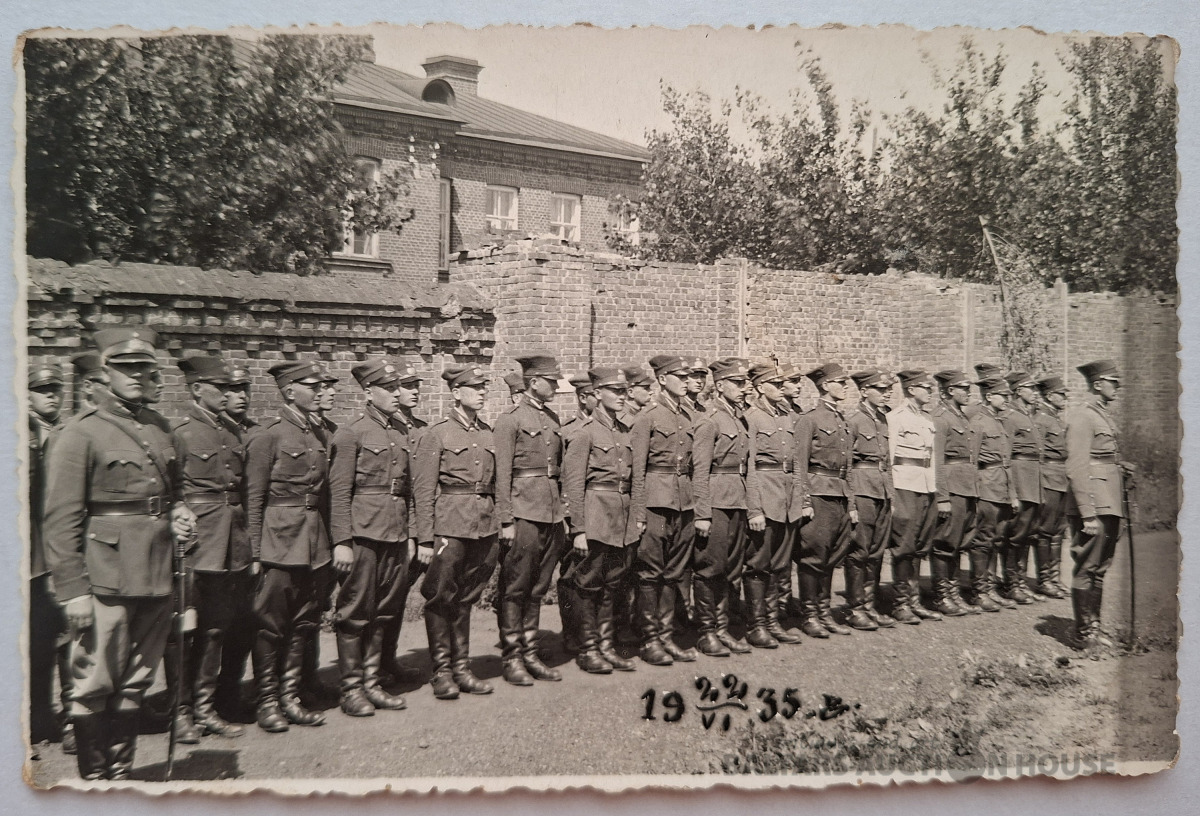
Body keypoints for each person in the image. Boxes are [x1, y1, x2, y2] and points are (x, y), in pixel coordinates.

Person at [43, 328, 195, 780]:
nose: (136, 376)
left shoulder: (161, 427)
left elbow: (175, 491)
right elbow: (61, 519)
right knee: (95, 679)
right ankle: (96, 784)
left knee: (136, 678)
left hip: (156, 571)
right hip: (105, 575)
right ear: (106, 372)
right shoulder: (81, 432)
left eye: (144, 368)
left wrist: (181, 513)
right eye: (125, 368)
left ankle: (121, 776)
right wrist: (73, 591)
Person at [244, 361, 336, 733]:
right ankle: (266, 701)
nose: (320, 392)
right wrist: (254, 553)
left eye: (321, 386)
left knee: (304, 622)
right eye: (312, 387)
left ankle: (290, 697)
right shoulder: (268, 436)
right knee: (270, 625)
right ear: (289, 391)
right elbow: (254, 500)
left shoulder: (321, 434)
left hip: (314, 541)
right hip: (278, 541)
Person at [169, 355, 252, 742]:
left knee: (216, 629)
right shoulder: (180, 433)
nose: (227, 393)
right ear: (197, 389)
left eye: (230, 387)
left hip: (230, 542)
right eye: (220, 387)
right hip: (196, 543)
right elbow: (171, 491)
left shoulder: (233, 432)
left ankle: (205, 707)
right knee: (185, 631)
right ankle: (180, 711)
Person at [327, 360, 415, 717]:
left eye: (398, 388)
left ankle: (372, 682)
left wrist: (410, 534)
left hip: (395, 531)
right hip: (362, 534)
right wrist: (341, 541)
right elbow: (339, 492)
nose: (397, 394)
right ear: (368, 392)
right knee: (354, 612)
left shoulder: (400, 431)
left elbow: (407, 489)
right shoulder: (351, 433)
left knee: (385, 611)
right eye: (389, 389)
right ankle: (351, 690)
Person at [412, 364, 500, 699]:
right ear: (456, 393)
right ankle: (442, 672)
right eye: (475, 388)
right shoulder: (437, 433)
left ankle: (462, 668)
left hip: (484, 525)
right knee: (441, 597)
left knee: (466, 597)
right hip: (450, 524)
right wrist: (424, 538)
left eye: (483, 387)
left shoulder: (488, 433)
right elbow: (423, 491)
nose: (482, 393)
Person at [493, 355, 567, 686]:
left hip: (550, 513)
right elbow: (502, 474)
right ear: (533, 382)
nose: (556, 387)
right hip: (523, 512)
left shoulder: (551, 418)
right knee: (516, 587)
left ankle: (531, 653)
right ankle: (512, 658)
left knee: (538, 587)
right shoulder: (509, 420)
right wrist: (506, 520)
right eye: (551, 381)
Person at [561, 367, 639, 674]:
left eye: (624, 391)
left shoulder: (624, 432)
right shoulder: (584, 433)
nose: (622, 396)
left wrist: (635, 518)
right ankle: (588, 649)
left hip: (620, 516)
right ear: (597, 394)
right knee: (588, 584)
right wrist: (578, 529)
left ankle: (606, 646)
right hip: (595, 514)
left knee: (613, 583)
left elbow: (632, 480)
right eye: (615, 391)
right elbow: (573, 484)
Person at [630, 355, 700, 666]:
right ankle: (650, 640)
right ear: (661, 379)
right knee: (650, 573)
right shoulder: (648, 416)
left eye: (688, 377)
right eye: (680, 377)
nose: (686, 382)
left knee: (675, 573)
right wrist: (639, 513)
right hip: (655, 502)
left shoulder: (688, 416)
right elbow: (637, 469)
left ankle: (667, 636)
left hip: (683, 501)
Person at [691, 358, 757, 656]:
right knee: (710, 568)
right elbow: (700, 470)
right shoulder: (710, 420)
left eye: (745, 383)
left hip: (737, 500)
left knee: (732, 568)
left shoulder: (740, 419)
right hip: (716, 502)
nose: (745, 388)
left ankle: (722, 628)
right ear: (720, 386)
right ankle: (707, 633)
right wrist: (702, 513)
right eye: (738, 383)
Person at [1065, 360, 1129, 652]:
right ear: (1097, 384)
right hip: (1094, 503)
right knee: (1087, 566)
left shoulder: (1102, 415)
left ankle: (1095, 627)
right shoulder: (1083, 417)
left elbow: (1103, 459)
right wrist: (1087, 513)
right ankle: (1082, 634)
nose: (1117, 386)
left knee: (1101, 567)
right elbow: (1077, 467)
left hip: (1110, 500)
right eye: (1113, 382)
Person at [792, 363, 857, 638]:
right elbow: (799, 463)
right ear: (825, 385)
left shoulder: (842, 420)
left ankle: (824, 613)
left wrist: (851, 503)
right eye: (841, 382)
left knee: (831, 556)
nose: (845, 387)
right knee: (813, 556)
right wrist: (805, 500)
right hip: (818, 493)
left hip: (839, 493)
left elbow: (848, 467)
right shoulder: (810, 419)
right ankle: (809, 616)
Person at [742, 363, 804, 646]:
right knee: (758, 565)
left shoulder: (787, 415)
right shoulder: (751, 418)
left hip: (787, 500)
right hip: (765, 498)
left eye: (782, 385)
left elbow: (796, 463)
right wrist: (754, 508)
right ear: (759, 387)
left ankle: (773, 621)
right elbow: (749, 467)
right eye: (776, 385)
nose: (781, 389)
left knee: (780, 565)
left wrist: (800, 499)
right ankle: (756, 626)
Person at [376, 366, 428, 685]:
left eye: (416, 385)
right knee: (383, 596)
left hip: (419, 525)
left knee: (398, 595)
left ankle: (388, 659)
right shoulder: (387, 428)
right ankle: (374, 665)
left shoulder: (421, 429)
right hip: (394, 523)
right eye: (407, 386)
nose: (413, 391)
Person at [28, 364, 68, 749]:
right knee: (36, 641)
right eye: (42, 391)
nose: (51, 396)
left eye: (55, 389)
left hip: (62, 548)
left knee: (65, 637)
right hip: (33, 554)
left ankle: (66, 716)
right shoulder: (23, 434)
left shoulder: (66, 431)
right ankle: (36, 718)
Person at [214, 365, 257, 719]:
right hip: (211, 543)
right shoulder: (205, 433)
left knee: (244, 622)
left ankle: (229, 694)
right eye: (232, 389)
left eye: (244, 388)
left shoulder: (255, 433)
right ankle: (191, 703)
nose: (241, 395)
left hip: (245, 541)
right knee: (208, 625)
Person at [886, 370, 945, 624]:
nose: (931, 392)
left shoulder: (927, 418)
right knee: (904, 545)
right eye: (926, 388)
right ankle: (900, 604)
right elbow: (888, 458)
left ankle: (914, 601)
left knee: (920, 545)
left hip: (926, 486)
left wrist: (935, 489)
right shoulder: (895, 418)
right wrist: (891, 494)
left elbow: (931, 457)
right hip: (904, 485)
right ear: (911, 390)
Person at [843, 368, 896, 630]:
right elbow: (846, 465)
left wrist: (891, 495)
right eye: (881, 389)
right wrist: (851, 502)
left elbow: (887, 461)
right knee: (859, 551)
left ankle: (869, 606)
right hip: (862, 489)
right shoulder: (853, 421)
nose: (887, 394)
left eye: (889, 390)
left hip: (882, 490)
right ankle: (855, 609)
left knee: (876, 551)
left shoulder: (883, 419)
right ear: (864, 392)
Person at [930, 370, 982, 615]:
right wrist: (942, 497)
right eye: (964, 388)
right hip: (952, 487)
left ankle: (953, 592)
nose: (969, 392)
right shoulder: (940, 418)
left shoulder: (961, 416)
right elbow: (937, 460)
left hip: (967, 486)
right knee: (945, 542)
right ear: (950, 390)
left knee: (961, 541)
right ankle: (941, 596)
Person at [966, 376, 1019, 612]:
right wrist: (975, 492)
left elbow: (1006, 462)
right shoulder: (978, 423)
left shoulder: (999, 422)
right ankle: (979, 592)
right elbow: (972, 460)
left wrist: (1013, 494)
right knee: (983, 539)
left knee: (997, 539)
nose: (1008, 399)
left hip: (1002, 486)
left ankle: (990, 589)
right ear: (989, 396)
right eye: (1003, 395)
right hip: (986, 486)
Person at [999, 371, 1045, 604]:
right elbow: (1005, 454)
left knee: (1027, 532)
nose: (1036, 393)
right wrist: (1011, 489)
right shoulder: (1010, 416)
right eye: (1031, 388)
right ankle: (1011, 585)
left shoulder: (1028, 415)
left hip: (1032, 478)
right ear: (1019, 391)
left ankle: (1020, 582)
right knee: (1016, 533)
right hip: (1019, 477)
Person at [1032, 375, 1070, 599]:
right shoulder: (1041, 420)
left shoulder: (1057, 419)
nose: (1065, 398)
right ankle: (1044, 580)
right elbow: (1037, 454)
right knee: (1045, 530)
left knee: (1059, 529)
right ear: (1049, 395)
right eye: (1061, 394)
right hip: (1048, 477)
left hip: (1062, 478)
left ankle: (1054, 578)